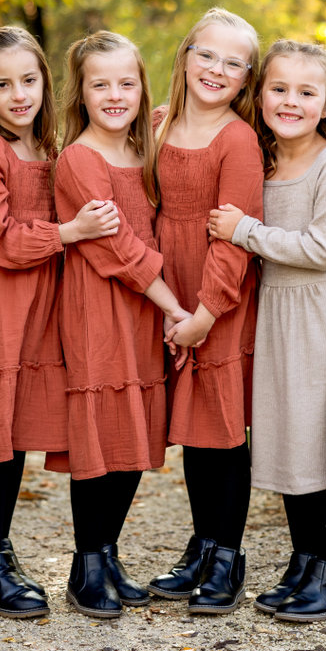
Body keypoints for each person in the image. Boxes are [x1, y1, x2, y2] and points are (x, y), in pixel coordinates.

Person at [0, 26, 122, 619]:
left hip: (51, 306)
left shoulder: (49, 145)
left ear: (46, 79)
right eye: (3, 84)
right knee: (3, 441)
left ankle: (90, 557)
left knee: (28, 425)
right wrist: (70, 233)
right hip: (5, 306)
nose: (19, 94)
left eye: (28, 79)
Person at [207, 39, 326, 622]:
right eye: (279, 89)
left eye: (306, 92)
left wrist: (244, 231)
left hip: (322, 319)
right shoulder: (265, 157)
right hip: (281, 315)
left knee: (324, 439)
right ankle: (303, 563)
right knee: (292, 438)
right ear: (260, 95)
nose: (290, 101)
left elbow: (324, 251)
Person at [52, 31, 192, 618]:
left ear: (142, 87)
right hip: (100, 308)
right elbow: (120, 248)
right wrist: (174, 307)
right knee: (102, 435)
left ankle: (108, 554)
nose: (115, 94)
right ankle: (85, 567)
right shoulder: (79, 158)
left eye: (126, 83)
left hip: (142, 307)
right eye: (100, 84)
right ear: (80, 94)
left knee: (137, 431)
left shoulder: (145, 149)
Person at [147, 8, 264, 614]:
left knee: (220, 430)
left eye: (233, 62)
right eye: (207, 55)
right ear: (186, 54)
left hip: (217, 298)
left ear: (246, 78)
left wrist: (207, 312)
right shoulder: (160, 124)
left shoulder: (238, 141)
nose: (216, 69)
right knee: (193, 427)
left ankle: (228, 557)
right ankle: (200, 544)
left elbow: (234, 240)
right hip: (168, 288)